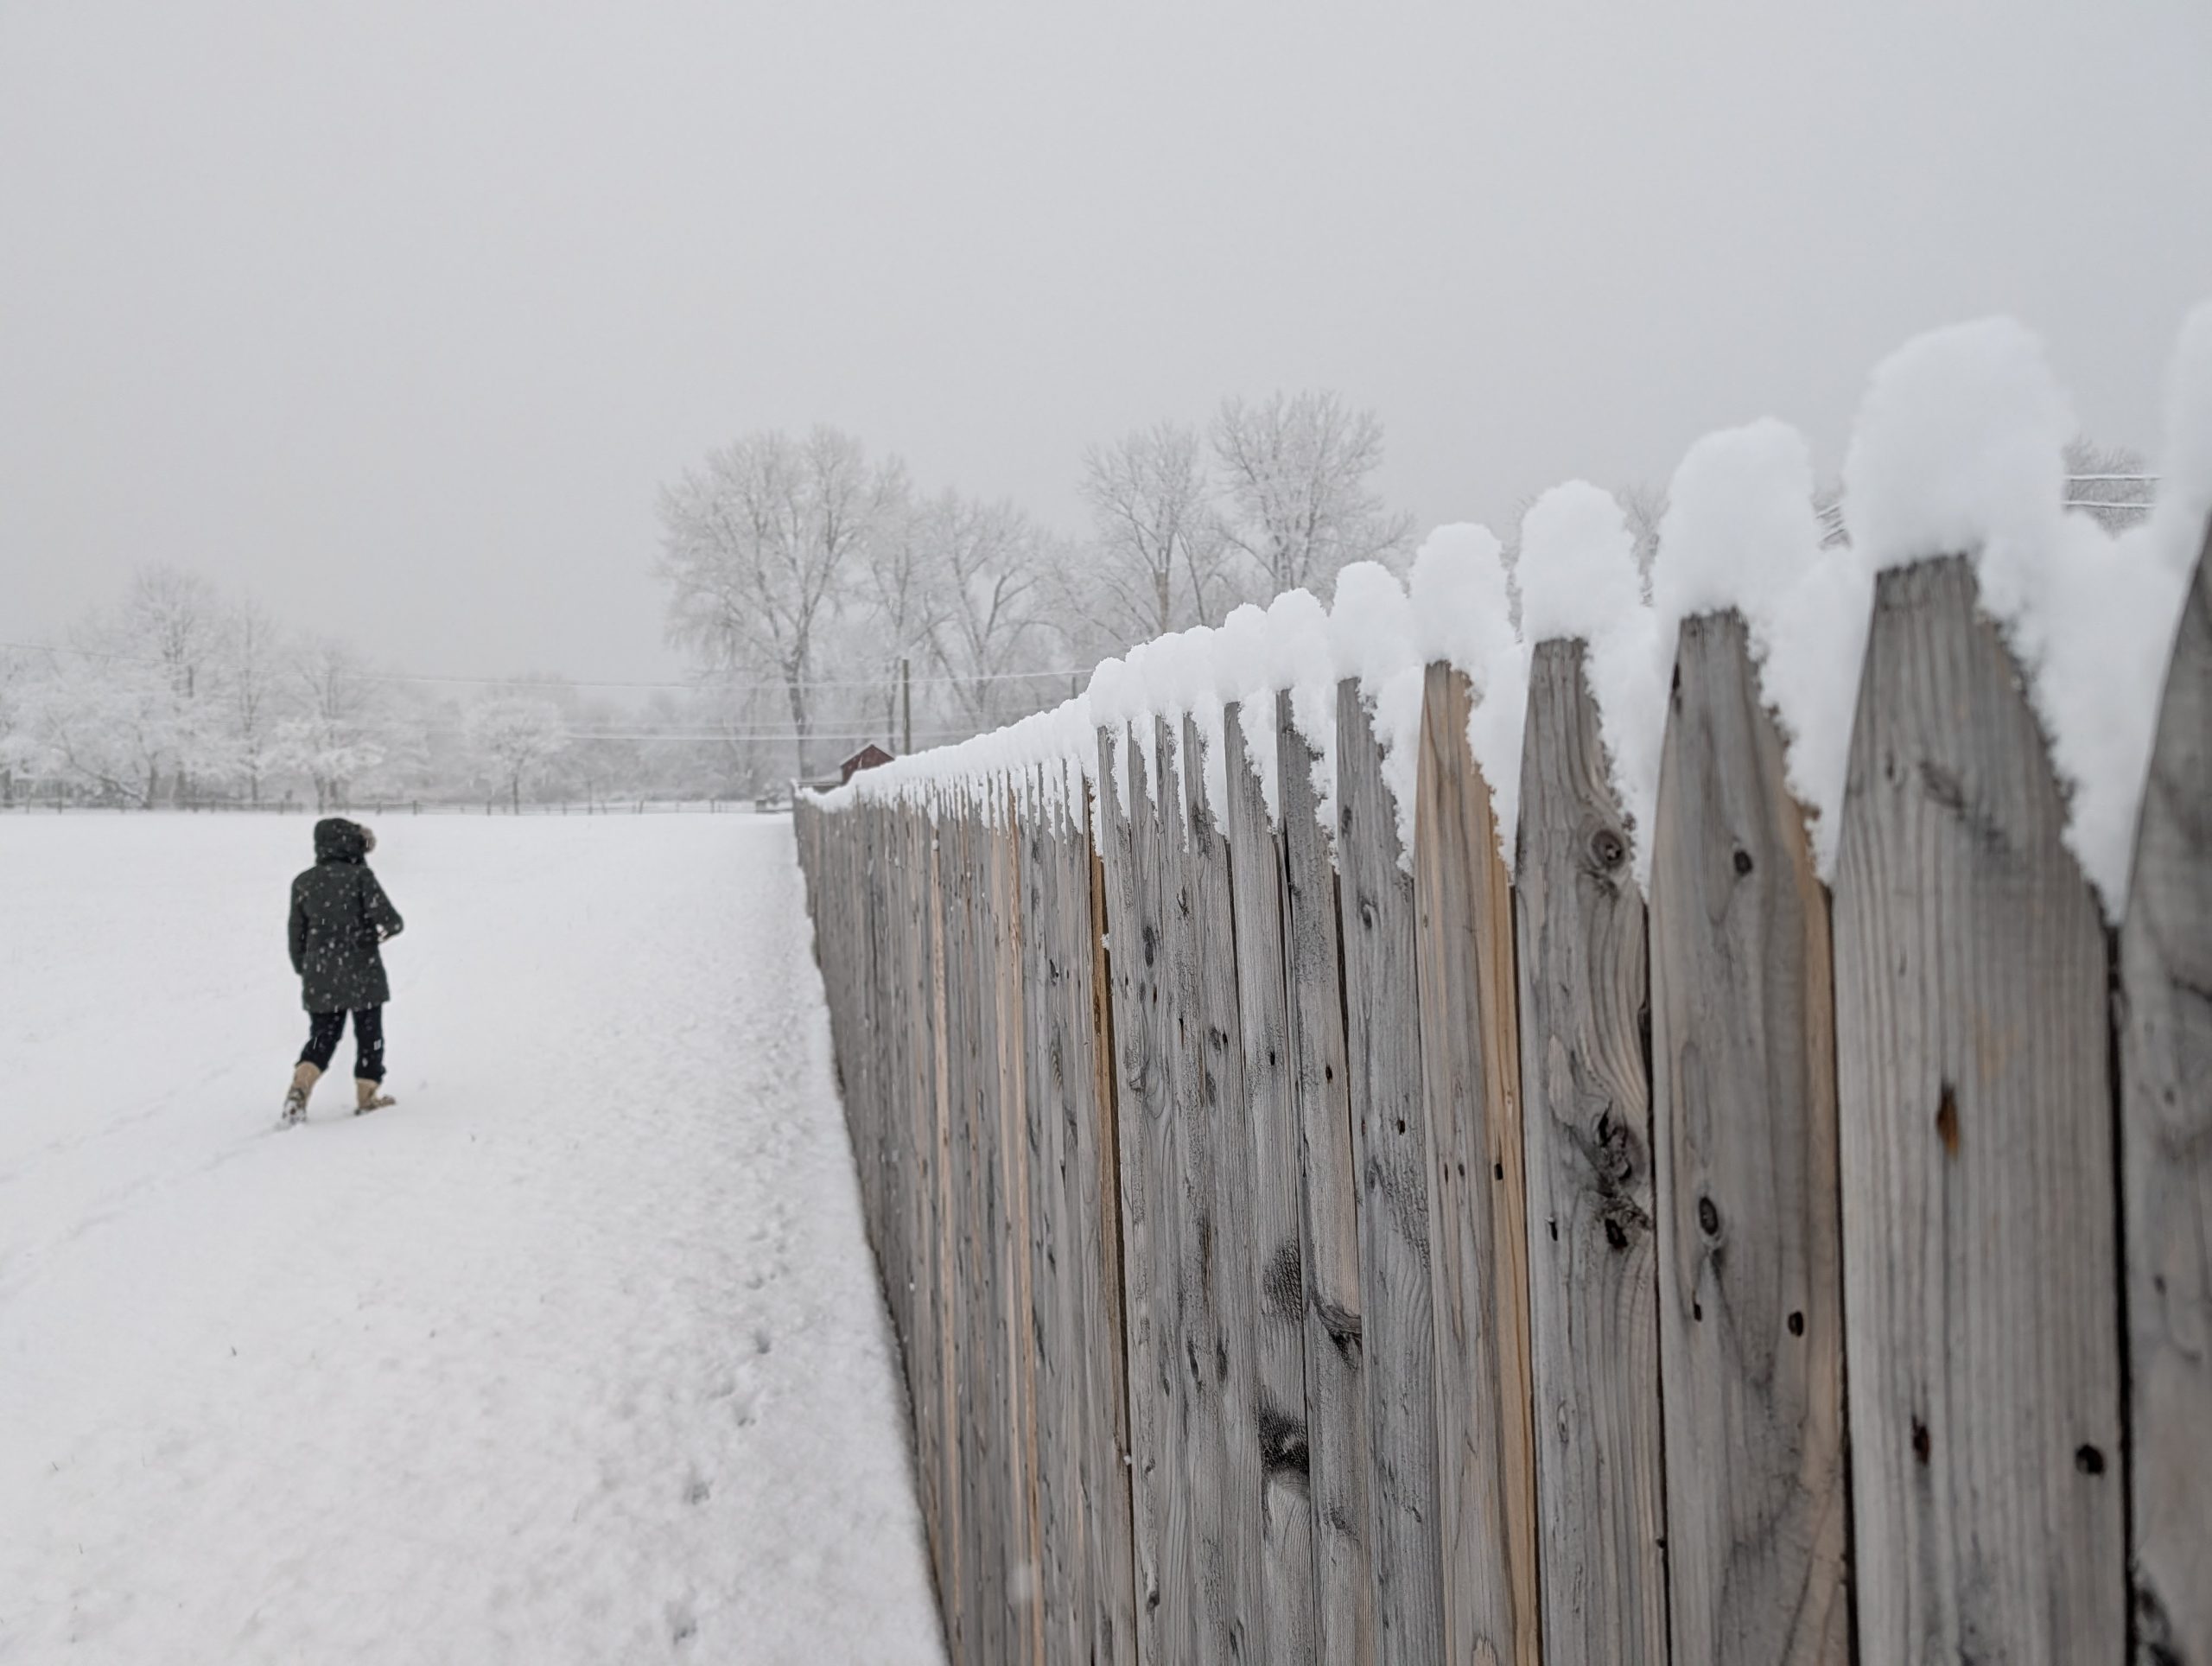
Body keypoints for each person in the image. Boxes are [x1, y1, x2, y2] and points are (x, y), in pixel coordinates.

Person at [282, 817, 405, 1126]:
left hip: (319, 972)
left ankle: (301, 1084)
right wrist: (379, 933)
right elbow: (391, 920)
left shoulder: (304, 882)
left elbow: (296, 935)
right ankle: (368, 1096)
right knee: (369, 1035)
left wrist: (307, 970)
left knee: (323, 1036)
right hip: (362, 970)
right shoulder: (361, 877)